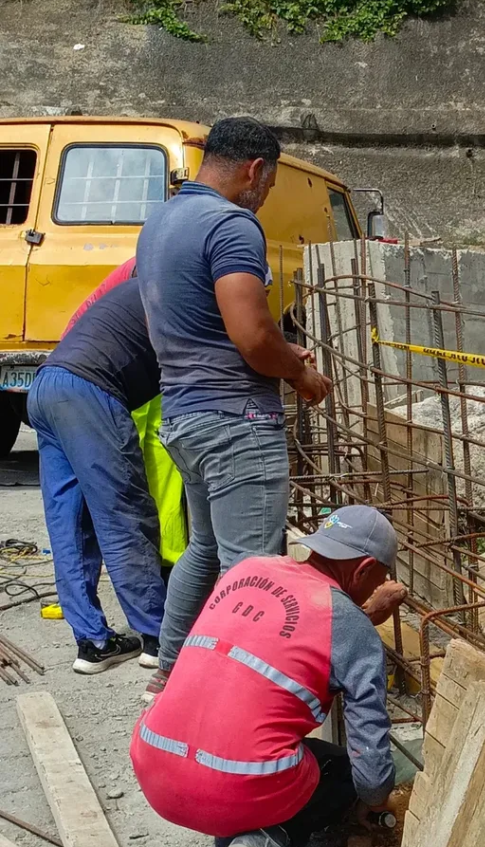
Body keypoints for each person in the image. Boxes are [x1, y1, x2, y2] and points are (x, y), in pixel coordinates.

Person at [136, 117, 332, 700]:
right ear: (255, 170)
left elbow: (189, 326)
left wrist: (267, 347)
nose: (265, 197)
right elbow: (250, 337)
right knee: (251, 569)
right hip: (236, 421)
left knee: (205, 549)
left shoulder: (160, 223)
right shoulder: (231, 225)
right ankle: (228, 696)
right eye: (269, 186)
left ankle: (170, 674)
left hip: (185, 410)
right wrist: (299, 372)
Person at [130, 505, 406, 847]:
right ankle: (266, 837)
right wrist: (376, 798)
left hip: (154, 762)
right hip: (227, 788)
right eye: (383, 576)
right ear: (364, 569)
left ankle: (240, 825)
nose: (383, 584)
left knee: (258, 740)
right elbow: (369, 752)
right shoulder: (349, 626)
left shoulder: (247, 569)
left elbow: (288, 630)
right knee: (343, 775)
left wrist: (360, 617)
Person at [27, 261, 166, 673]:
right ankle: (158, 637)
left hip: (46, 386)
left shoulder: (128, 288)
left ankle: (93, 642)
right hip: (88, 391)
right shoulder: (172, 293)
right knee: (123, 515)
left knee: (70, 524)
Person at [63, 259, 188, 583]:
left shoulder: (154, 257)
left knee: (151, 471)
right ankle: (159, 565)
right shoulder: (152, 270)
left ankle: (159, 563)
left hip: (103, 368)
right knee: (143, 475)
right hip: (117, 376)